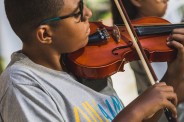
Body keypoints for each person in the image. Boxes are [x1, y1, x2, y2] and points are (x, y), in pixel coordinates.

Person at [1, 0, 184, 121]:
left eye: (84, 3)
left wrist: (173, 77)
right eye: (77, 13)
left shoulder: (86, 62)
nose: (88, 13)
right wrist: (135, 111)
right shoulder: (22, 84)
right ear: (45, 34)